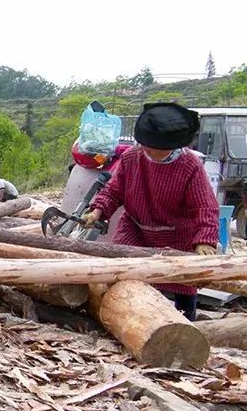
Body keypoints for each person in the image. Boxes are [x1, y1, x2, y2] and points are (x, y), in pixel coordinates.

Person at [81, 103, 219, 320]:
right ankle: (124, 317)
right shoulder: (130, 158)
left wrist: (205, 240)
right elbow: (114, 191)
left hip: (177, 236)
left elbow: (205, 207)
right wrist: (97, 211)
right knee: (125, 272)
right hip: (136, 228)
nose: (147, 151)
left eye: (153, 148)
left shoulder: (189, 165)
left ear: (171, 145)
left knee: (182, 284)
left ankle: (186, 322)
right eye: (144, 146)